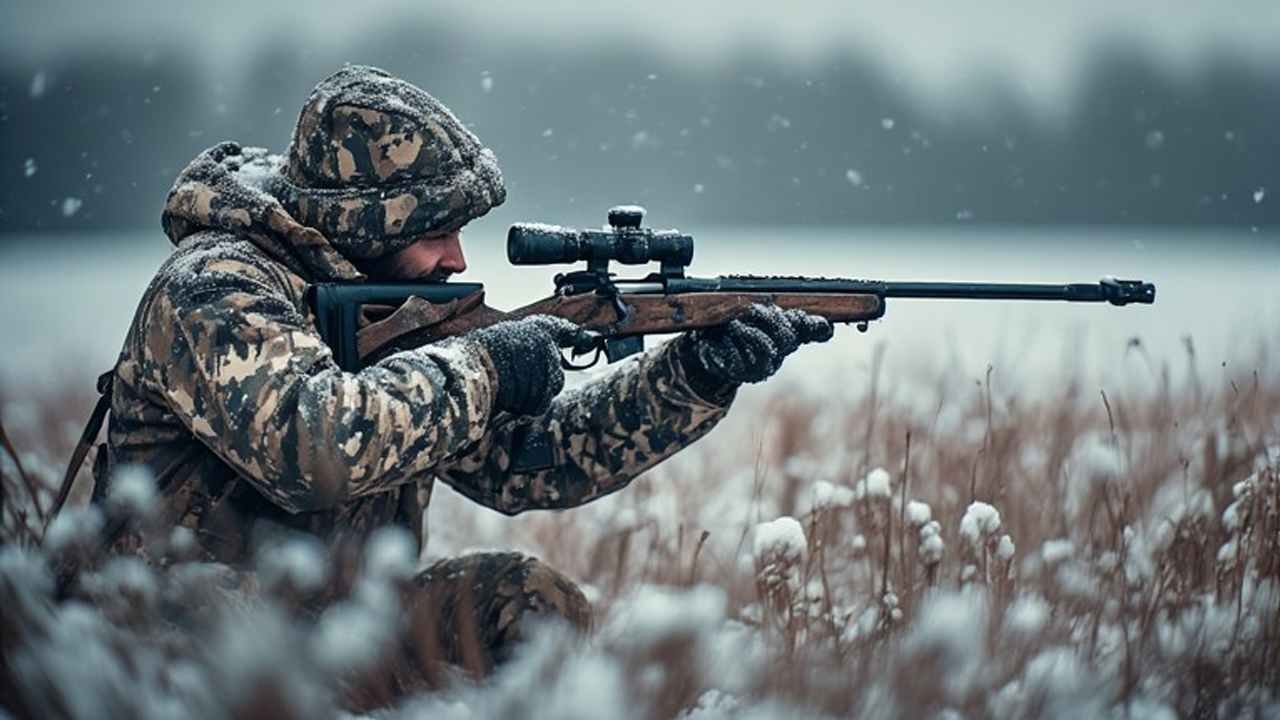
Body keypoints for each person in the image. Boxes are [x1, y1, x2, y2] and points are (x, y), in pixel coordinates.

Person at [82, 65, 832, 691]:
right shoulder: (214, 287)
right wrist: (486, 367)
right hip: (173, 643)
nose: (458, 260)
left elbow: (532, 463)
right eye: (435, 233)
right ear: (367, 226)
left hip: (340, 628)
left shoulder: (395, 312)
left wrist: (694, 376)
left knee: (533, 605)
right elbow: (314, 447)